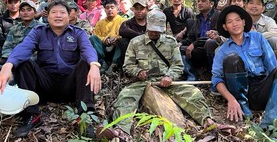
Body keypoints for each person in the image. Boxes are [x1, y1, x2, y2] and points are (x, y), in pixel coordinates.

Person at [98, 10, 230, 140]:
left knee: (192, 92)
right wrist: (138, 72)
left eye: (158, 29)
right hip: (142, 82)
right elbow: (128, 65)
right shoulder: (136, 42)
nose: (155, 32)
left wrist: (169, 76)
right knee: (126, 97)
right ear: (148, 25)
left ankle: (209, 122)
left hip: (166, 81)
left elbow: (178, 65)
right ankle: (121, 130)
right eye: (152, 29)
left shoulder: (170, 42)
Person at [0, 0, 101, 137]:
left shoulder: (78, 33)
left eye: (62, 12)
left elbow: (88, 49)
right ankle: (31, 115)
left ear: (69, 16)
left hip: (70, 85)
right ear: (47, 16)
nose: (58, 16)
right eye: (54, 12)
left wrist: (94, 65)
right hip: (44, 85)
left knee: (86, 63)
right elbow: (24, 47)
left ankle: (84, 116)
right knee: (24, 63)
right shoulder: (39, 31)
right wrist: (8, 65)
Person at [211, 5, 277, 131]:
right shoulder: (222, 50)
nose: (235, 24)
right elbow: (216, 79)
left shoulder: (258, 38)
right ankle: (242, 106)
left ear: (244, 22)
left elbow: (272, 66)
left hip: (262, 87)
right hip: (242, 90)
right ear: (225, 27)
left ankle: (272, 117)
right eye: (230, 22)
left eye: (238, 20)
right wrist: (231, 100)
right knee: (232, 59)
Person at [0, 1, 39, 76]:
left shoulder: (41, 28)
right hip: (13, 58)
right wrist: (11, 59)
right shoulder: (14, 29)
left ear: (35, 13)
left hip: (30, 58)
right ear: (19, 13)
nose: (25, 13)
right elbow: (7, 46)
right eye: (22, 10)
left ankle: (13, 72)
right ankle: (13, 71)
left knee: (34, 61)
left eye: (29, 10)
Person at [180, 0, 221, 80]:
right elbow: (191, 37)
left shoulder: (218, 16)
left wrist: (194, 44)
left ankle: (213, 74)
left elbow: (215, 35)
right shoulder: (197, 18)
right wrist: (181, 43)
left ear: (211, 3)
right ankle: (191, 75)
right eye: (198, 1)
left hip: (213, 48)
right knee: (179, 49)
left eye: (203, 1)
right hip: (199, 49)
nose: (199, 3)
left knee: (209, 43)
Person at [245, 0, 277, 64]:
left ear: (263, 8)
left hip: (264, 48)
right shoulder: (240, 20)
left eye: (258, 4)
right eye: (251, 3)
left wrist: (258, 36)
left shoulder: (268, 20)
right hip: (246, 49)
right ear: (246, 6)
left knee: (275, 40)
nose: (254, 6)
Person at [89, 0, 125, 73]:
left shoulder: (123, 21)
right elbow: (96, 36)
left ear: (117, 9)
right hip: (103, 48)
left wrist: (116, 38)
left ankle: (114, 64)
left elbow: (125, 34)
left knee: (122, 40)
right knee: (92, 38)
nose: (109, 10)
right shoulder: (100, 23)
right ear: (104, 10)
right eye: (107, 8)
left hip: (116, 48)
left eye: (112, 7)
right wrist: (105, 40)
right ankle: (102, 62)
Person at [117, 0, 148, 70]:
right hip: (134, 51)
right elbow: (122, 30)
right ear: (133, 10)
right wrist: (140, 36)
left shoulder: (151, 22)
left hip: (149, 49)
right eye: (137, 9)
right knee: (123, 41)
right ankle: (127, 67)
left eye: (142, 9)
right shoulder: (128, 23)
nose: (139, 11)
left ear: (146, 9)